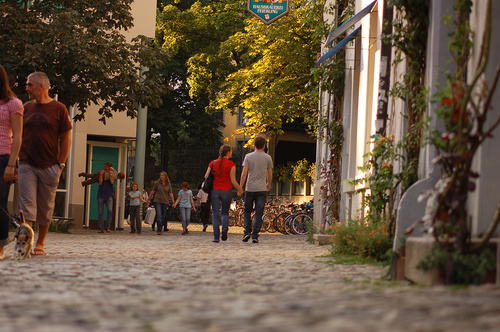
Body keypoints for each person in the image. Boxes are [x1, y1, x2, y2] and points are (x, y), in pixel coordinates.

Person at [18, 71, 72, 255]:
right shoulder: (26, 107)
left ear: (41, 86)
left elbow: (66, 138)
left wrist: (61, 164)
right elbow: (17, 134)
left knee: (46, 206)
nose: (27, 88)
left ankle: (39, 244)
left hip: (50, 165)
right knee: (26, 205)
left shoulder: (59, 108)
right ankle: (26, 242)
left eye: (29, 85)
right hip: (27, 163)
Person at [0, 65, 23, 260]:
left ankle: (0, 246)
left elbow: (17, 135)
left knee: (0, 203)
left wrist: (11, 164)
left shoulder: (13, 103)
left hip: (3, 157)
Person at [204, 145, 243, 243]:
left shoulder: (212, 163)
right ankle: (225, 228)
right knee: (225, 212)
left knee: (216, 214)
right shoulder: (231, 164)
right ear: (228, 152)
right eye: (231, 151)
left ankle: (216, 237)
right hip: (227, 190)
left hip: (215, 191)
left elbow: (206, 176)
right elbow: (233, 181)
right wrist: (240, 190)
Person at [239, 136, 273, 244]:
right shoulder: (268, 158)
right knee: (259, 212)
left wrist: (240, 187)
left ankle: (247, 232)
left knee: (247, 211)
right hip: (261, 188)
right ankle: (255, 235)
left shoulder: (248, 157)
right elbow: (270, 173)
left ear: (254, 144)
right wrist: (269, 184)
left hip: (250, 188)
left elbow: (244, 173)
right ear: (264, 145)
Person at [97, 161, 116, 233]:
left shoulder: (113, 173)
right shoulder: (102, 172)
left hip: (109, 194)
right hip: (101, 194)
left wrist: (111, 173)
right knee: (100, 212)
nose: (105, 168)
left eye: (107, 167)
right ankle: (101, 228)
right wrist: (100, 175)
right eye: (105, 166)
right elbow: (100, 183)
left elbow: (112, 182)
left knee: (110, 210)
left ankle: (108, 227)